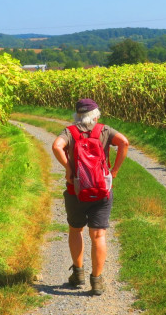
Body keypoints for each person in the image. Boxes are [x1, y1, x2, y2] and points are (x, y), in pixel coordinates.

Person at [52, 98, 129, 295]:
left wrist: (68, 168)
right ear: (96, 115)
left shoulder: (70, 132)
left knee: (75, 230)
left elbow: (56, 146)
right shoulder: (104, 130)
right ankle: (97, 281)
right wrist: (115, 171)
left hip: (75, 191)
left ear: (77, 115)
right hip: (101, 190)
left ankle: (78, 274)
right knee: (98, 235)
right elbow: (124, 143)